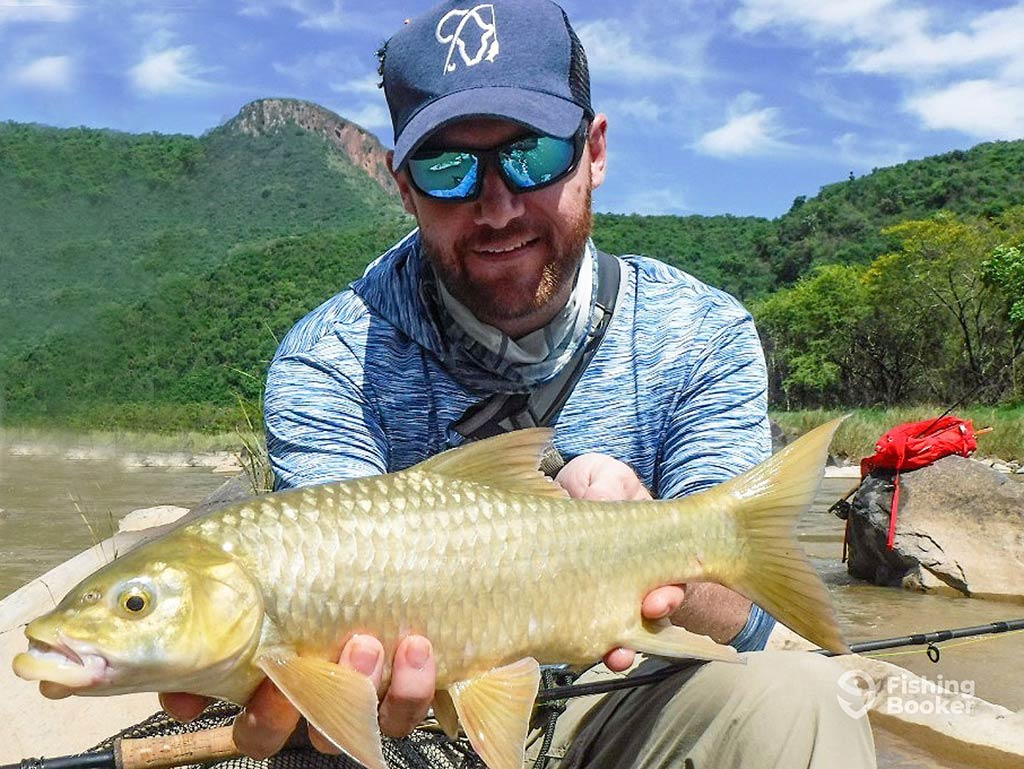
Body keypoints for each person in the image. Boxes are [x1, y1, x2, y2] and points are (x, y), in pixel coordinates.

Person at [162, 0, 876, 766]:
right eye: (447, 169)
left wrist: (653, 546)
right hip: (418, 729)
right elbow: (335, 631)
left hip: (628, 696)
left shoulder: (701, 334)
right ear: (404, 189)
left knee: (807, 698)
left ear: (593, 150)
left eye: (533, 156)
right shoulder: (328, 361)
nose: (497, 207)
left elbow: (747, 619)